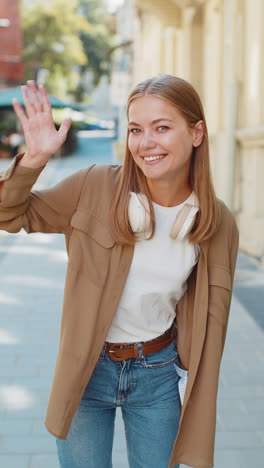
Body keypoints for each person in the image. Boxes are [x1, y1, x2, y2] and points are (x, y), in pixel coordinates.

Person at [0, 76, 239, 468]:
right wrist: (34, 161)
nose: (146, 143)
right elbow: (9, 213)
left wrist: (193, 397)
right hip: (86, 371)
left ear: (197, 133)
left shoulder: (216, 223)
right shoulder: (93, 187)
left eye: (162, 127)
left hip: (157, 376)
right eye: (135, 129)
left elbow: (213, 330)